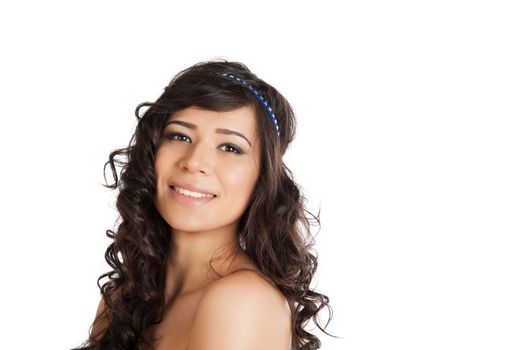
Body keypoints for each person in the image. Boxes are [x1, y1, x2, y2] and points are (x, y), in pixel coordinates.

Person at [72, 59, 334, 350]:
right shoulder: (124, 298)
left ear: (262, 178)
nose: (194, 161)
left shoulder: (241, 301)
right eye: (180, 136)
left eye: (230, 148)